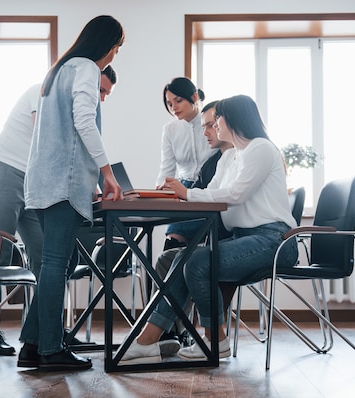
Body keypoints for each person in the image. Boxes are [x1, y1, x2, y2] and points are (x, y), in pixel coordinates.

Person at [119, 94, 299, 365]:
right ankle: (149, 339)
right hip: (246, 240)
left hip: (274, 241)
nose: (214, 126)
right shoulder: (229, 158)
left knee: (197, 261)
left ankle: (214, 340)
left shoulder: (261, 148)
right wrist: (179, 194)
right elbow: (211, 193)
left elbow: (235, 195)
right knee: (183, 258)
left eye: (218, 120)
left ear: (234, 120)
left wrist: (188, 194)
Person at [0, 66, 118, 356]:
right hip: (7, 169)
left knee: (50, 258)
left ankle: (46, 332)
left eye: (106, 94)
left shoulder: (70, 106)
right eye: (101, 90)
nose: (101, 98)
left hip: (35, 180)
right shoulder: (42, 93)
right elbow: (47, 142)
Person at [18, 15, 125, 372]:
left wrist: (90, 177)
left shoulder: (58, 71)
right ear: (105, 44)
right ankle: (50, 350)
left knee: (58, 264)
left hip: (45, 181)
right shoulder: (86, 69)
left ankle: (32, 346)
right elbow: (83, 121)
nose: (114, 55)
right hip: (61, 185)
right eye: (116, 47)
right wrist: (107, 173)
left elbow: (61, 135)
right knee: (55, 264)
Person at [154, 100, 234, 355]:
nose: (207, 132)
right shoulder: (218, 161)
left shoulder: (243, 156)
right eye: (205, 126)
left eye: (212, 125)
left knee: (187, 259)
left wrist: (187, 194)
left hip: (228, 233)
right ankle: (171, 331)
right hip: (214, 227)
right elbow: (209, 194)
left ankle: (175, 333)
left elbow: (228, 198)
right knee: (167, 259)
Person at [155, 77, 218, 250]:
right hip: (183, 189)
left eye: (178, 101)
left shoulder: (213, 123)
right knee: (173, 242)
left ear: (195, 97)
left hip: (210, 188)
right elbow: (166, 167)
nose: (173, 108)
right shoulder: (170, 129)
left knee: (194, 243)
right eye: (169, 104)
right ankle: (166, 274)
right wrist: (159, 191)